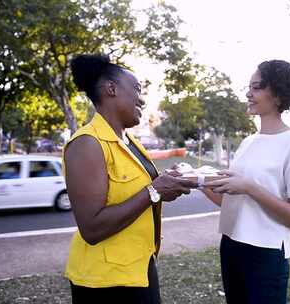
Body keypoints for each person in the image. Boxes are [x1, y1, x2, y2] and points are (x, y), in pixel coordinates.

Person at [63, 54, 198, 304]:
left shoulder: (131, 142)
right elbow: (91, 228)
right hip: (105, 282)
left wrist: (169, 181)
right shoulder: (87, 143)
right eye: (137, 89)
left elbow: (143, 190)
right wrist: (154, 191)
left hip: (139, 267)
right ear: (111, 89)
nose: (143, 99)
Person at [202, 60, 290, 304]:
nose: (248, 93)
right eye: (249, 87)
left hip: (266, 253)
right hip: (231, 245)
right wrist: (198, 181)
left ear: (276, 95)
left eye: (256, 88)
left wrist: (250, 187)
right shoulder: (248, 142)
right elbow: (231, 202)